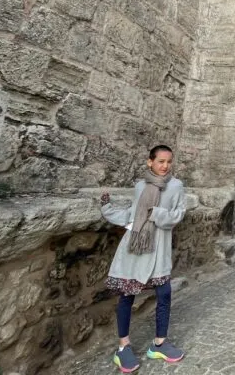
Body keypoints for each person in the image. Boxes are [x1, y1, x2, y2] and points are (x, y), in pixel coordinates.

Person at [100, 144, 188, 372]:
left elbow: (178, 215)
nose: (165, 166)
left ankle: (159, 343)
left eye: (169, 162)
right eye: (160, 161)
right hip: (135, 248)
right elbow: (132, 213)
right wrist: (108, 210)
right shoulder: (140, 186)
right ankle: (123, 347)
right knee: (127, 296)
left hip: (159, 249)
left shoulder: (176, 186)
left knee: (164, 293)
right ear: (150, 162)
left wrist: (157, 213)